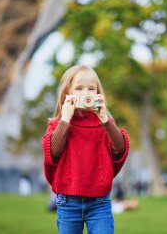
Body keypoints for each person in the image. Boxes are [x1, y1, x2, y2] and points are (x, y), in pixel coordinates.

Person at [41, 65, 129, 234]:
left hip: (99, 202)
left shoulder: (104, 122)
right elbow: (53, 152)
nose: (86, 93)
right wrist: (65, 119)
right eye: (79, 88)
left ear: (98, 93)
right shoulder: (58, 123)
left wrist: (105, 120)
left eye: (91, 88)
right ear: (68, 92)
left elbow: (119, 149)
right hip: (68, 201)